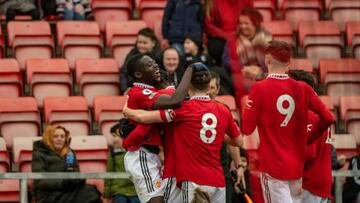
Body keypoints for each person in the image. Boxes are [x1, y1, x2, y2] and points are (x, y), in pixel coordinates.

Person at [123, 66, 244, 202]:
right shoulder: (223, 109)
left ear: (187, 86)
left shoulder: (182, 108)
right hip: (217, 179)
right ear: (209, 87)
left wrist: (127, 111)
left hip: (187, 176)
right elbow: (239, 142)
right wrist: (214, 132)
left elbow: (143, 117)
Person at [241, 40, 334, 203]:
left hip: (273, 166)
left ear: (267, 59)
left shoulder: (259, 88)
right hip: (296, 168)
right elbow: (328, 118)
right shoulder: (304, 88)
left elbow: (247, 129)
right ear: (289, 62)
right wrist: (309, 137)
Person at [122, 54, 200, 203]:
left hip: (151, 155)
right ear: (138, 74)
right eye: (150, 64)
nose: (156, 65)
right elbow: (175, 100)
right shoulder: (140, 92)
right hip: (141, 154)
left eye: (155, 62)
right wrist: (189, 70)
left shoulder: (150, 92)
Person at [288, 69, 333, 203]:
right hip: (322, 181)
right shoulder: (320, 113)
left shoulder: (306, 115)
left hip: (308, 183)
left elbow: (308, 153)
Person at [32, 125, 102, 203]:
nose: (59, 139)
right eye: (55, 136)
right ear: (49, 138)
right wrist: (63, 182)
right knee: (89, 193)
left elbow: (76, 172)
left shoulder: (70, 153)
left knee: (90, 190)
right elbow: (40, 182)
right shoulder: (39, 154)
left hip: (67, 191)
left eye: (62, 136)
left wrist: (79, 179)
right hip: (48, 195)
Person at [204, 0, 253, 66]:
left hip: (241, 35)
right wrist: (227, 36)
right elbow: (208, 25)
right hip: (220, 38)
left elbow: (251, 20)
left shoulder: (247, 1)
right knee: (215, 47)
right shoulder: (213, 2)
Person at [103, 123, 140, 203]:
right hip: (119, 191)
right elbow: (109, 175)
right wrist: (106, 195)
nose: (112, 140)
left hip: (136, 190)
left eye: (114, 136)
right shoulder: (113, 153)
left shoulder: (136, 151)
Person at [120, 28, 162, 94]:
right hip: (132, 89)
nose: (141, 45)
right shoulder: (132, 54)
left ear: (153, 43)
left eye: (145, 43)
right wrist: (125, 89)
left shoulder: (160, 56)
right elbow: (124, 72)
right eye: (139, 42)